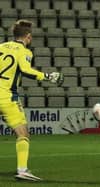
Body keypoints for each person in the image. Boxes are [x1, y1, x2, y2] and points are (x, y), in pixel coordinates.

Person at [0, 19, 63, 181]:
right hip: (7, 96)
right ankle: (22, 170)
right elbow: (26, 70)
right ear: (27, 36)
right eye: (31, 36)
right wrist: (48, 76)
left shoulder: (1, 47)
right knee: (23, 133)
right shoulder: (25, 51)